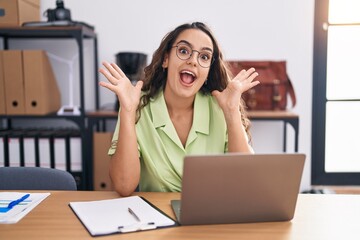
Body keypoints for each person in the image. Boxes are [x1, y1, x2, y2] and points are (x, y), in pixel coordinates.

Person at [99, 22, 260, 196]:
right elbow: (124, 186)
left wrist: (231, 111)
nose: (192, 61)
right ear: (166, 59)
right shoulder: (137, 107)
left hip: (212, 216)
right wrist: (128, 112)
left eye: (204, 57)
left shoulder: (221, 109)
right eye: (184, 51)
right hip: (158, 217)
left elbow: (246, 182)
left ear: (208, 71)